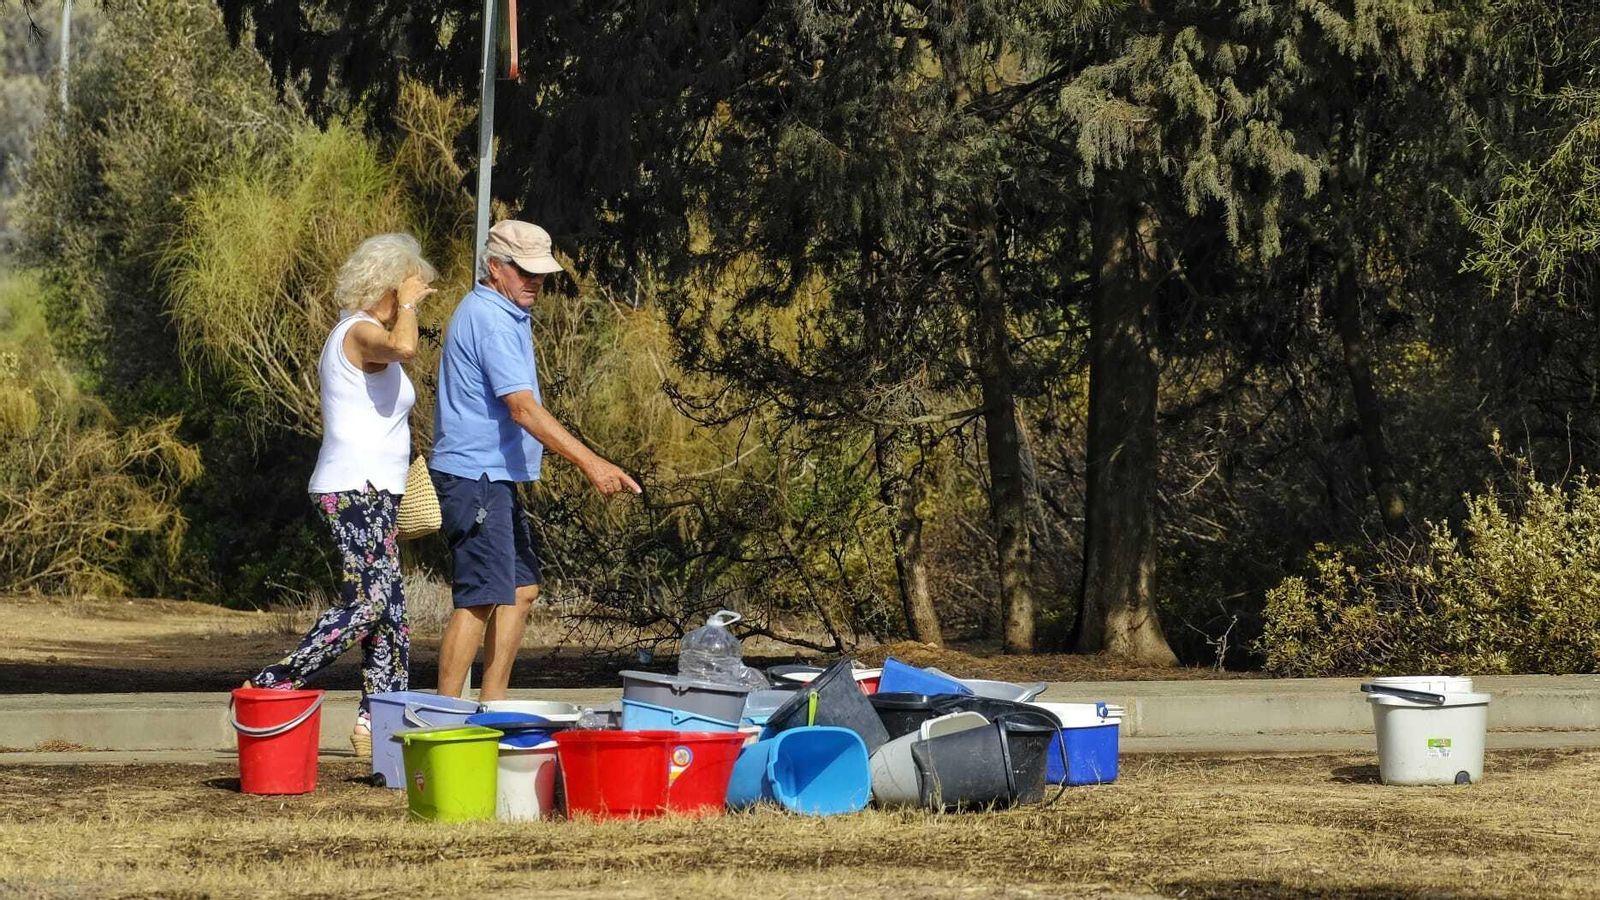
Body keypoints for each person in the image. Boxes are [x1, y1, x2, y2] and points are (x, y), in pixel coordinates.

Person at [430, 219, 640, 700]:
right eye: (524, 271)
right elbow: (522, 407)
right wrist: (593, 463)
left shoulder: (506, 314)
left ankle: (492, 706)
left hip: (493, 476)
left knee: (521, 590)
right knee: (481, 596)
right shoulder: (489, 318)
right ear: (495, 267)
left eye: (541, 273)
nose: (535, 281)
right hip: (473, 474)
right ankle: (441, 720)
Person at [246, 233, 438, 758]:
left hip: (378, 491)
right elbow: (405, 346)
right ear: (388, 286)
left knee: (393, 614)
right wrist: (410, 306)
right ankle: (275, 679)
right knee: (371, 601)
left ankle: (377, 726)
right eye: (406, 286)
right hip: (353, 488)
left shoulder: (368, 334)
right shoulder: (358, 332)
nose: (415, 296)